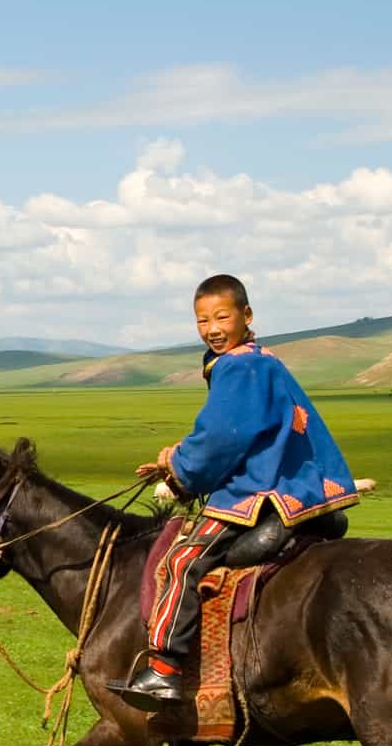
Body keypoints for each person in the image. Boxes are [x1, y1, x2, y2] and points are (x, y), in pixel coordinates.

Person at [114, 274, 359, 712]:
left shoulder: (238, 365)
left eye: (222, 316)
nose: (211, 328)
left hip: (261, 490)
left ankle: (165, 670)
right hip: (297, 486)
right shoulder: (260, 360)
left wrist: (180, 468)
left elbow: (224, 437)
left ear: (246, 316)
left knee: (181, 560)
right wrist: (177, 458)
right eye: (201, 320)